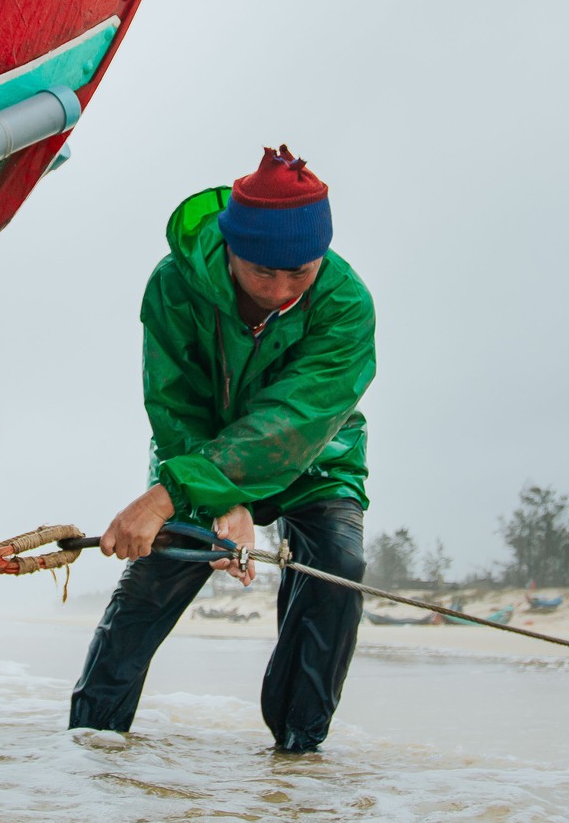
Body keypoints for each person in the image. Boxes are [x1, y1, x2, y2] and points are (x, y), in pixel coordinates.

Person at [69, 145, 377, 753]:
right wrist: (214, 500)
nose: (281, 290)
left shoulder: (347, 304)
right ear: (231, 248)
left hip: (315, 455)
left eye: (302, 272)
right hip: (198, 449)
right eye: (264, 271)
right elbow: (173, 406)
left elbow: (293, 423)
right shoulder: (173, 285)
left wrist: (184, 493)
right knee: (154, 578)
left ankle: (298, 755)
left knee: (339, 568)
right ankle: (88, 747)